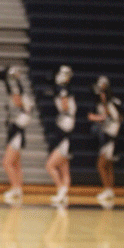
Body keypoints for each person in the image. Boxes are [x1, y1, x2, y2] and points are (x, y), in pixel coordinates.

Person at [2, 66, 34, 204]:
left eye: (16, 97)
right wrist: (7, 81)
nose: (14, 99)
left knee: (6, 162)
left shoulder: (25, 106)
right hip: (15, 134)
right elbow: (13, 94)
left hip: (17, 136)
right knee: (16, 164)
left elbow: (19, 95)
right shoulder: (21, 106)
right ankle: (18, 189)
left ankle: (15, 188)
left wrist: (17, 79)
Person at [45, 65, 77, 206]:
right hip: (65, 133)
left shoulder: (63, 90)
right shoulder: (66, 89)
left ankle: (61, 190)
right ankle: (63, 194)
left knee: (50, 165)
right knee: (65, 168)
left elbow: (64, 106)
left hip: (65, 135)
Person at [88, 75, 122, 205]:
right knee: (107, 166)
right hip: (106, 138)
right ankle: (109, 191)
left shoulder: (111, 104)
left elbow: (116, 119)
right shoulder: (101, 104)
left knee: (101, 165)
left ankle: (108, 190)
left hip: (111, 139)